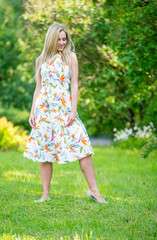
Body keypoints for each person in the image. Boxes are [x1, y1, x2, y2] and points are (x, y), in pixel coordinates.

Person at [23, 23, 108, 204]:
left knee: (83, 147)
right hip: (44, 110)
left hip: (64, 109)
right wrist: (32, 112)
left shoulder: (71, 57)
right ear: (51, 39)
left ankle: (95, 192)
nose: (62, 42)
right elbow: (38, 87)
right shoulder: (41, 60)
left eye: (64, 39)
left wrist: (73, 109)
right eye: (59, 39)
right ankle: (45, 195)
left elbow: (74, 85)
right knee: (45, 152)